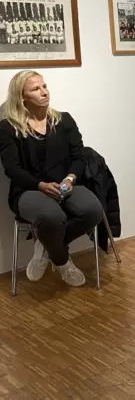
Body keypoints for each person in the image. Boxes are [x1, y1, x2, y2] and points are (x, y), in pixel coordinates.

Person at [0, 71, 102, 287]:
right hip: (28, 190)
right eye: (35, 89)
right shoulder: (8, 128)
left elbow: (79, 154)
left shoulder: (63, 120)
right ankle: (62, 260)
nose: (44, 92)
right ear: (22, 97)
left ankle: (47, 247)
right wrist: (40, 185)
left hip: (65, 184)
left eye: (44, 86)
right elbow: (12, 169)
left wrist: (70, 179)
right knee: (52, 217)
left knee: (92, 210)